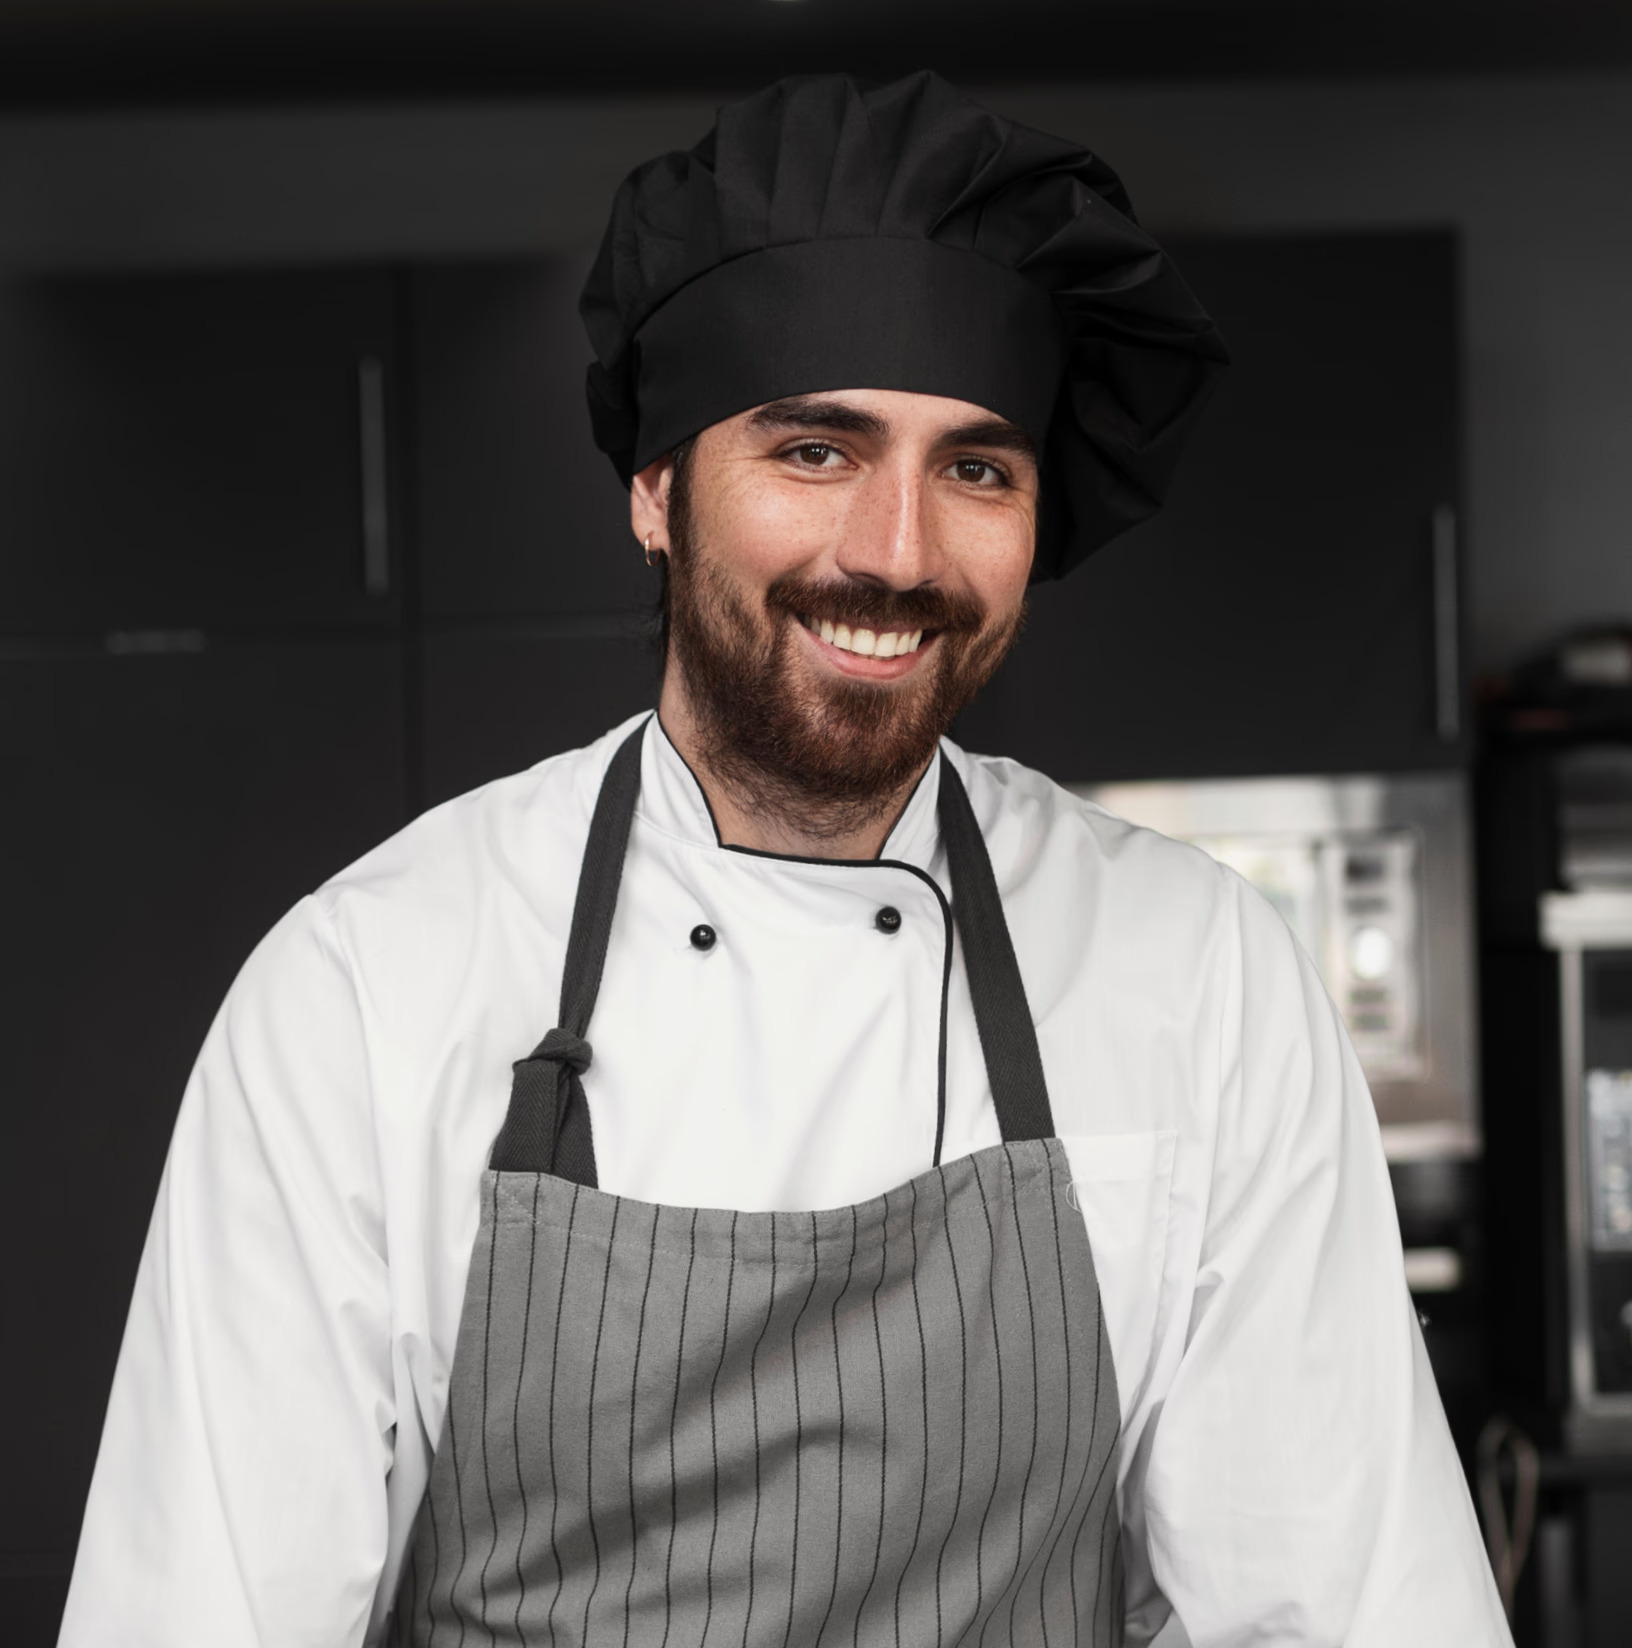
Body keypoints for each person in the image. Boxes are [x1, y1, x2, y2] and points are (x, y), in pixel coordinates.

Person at [61, 72, 1509, 1647]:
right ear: (656, 489)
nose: (897, 551)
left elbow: (1344, 1605)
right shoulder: (366, 992)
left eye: (978, 467)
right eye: (816, 449)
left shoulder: (1199, 976)